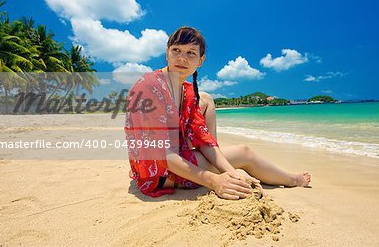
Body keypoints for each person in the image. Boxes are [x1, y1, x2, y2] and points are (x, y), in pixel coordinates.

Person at [125, 26, 311, 199]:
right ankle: (292, 180)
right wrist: (214, 181)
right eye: (176, 50)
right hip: (155, 171)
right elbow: (162, 154)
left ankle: (282, 178)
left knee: (206, 100)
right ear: (167, 53)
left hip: (175, 156)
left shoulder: (187, 91)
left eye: (191, 53)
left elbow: (204, 140)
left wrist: (231, 172)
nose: (182, 58)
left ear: (201, 61)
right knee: (244, 154)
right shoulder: (148, 88)